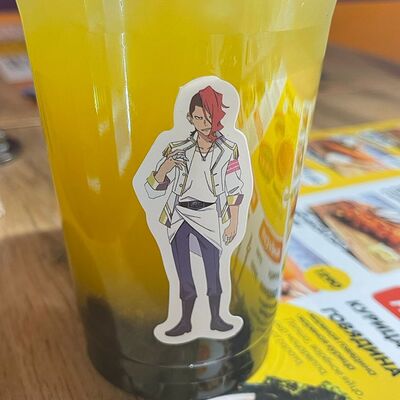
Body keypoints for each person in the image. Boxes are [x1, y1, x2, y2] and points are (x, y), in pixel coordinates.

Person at [144, 86, 245, 337]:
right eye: (198, 117)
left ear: (217, 117)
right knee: (183, 274)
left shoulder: (228, 150)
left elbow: (235, 187)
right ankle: (185, 322)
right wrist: (164, 168)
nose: (203, 123)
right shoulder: (177, 148)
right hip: (180, 216)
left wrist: (233, 221)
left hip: (210, 216)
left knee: (213, 270)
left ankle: (216, 319)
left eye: (208, 117)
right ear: (190, 118)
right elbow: (151, 189)